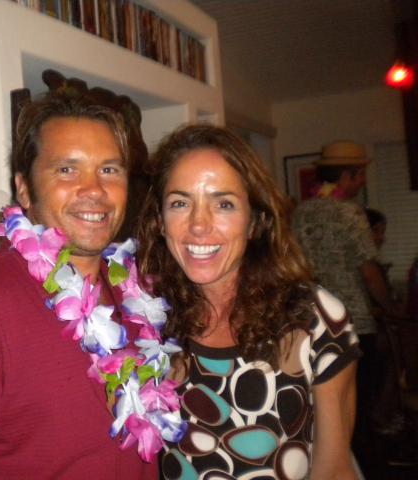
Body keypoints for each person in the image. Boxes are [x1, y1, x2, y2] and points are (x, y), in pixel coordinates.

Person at [0, 92, 167, 479]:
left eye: (109, 170)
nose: (94, 190)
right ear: (23, 188)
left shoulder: (135, 295)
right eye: (67, 170)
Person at [136, 125, 360, 479]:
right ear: (160, 223)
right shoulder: (146, 319)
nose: (198, 225)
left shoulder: (314, 318)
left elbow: (333, 470)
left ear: (255, 222)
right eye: (180, 203)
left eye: (223, 204)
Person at [290, 141, 401, 469]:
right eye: (360, 174)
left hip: (309, 321)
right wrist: (389, 307)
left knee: (322, 410)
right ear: (347, 176)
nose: (363, 181)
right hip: (352, 323)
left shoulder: (301, 212)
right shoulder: (350, 212)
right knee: (359, 407)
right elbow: (369, 271)